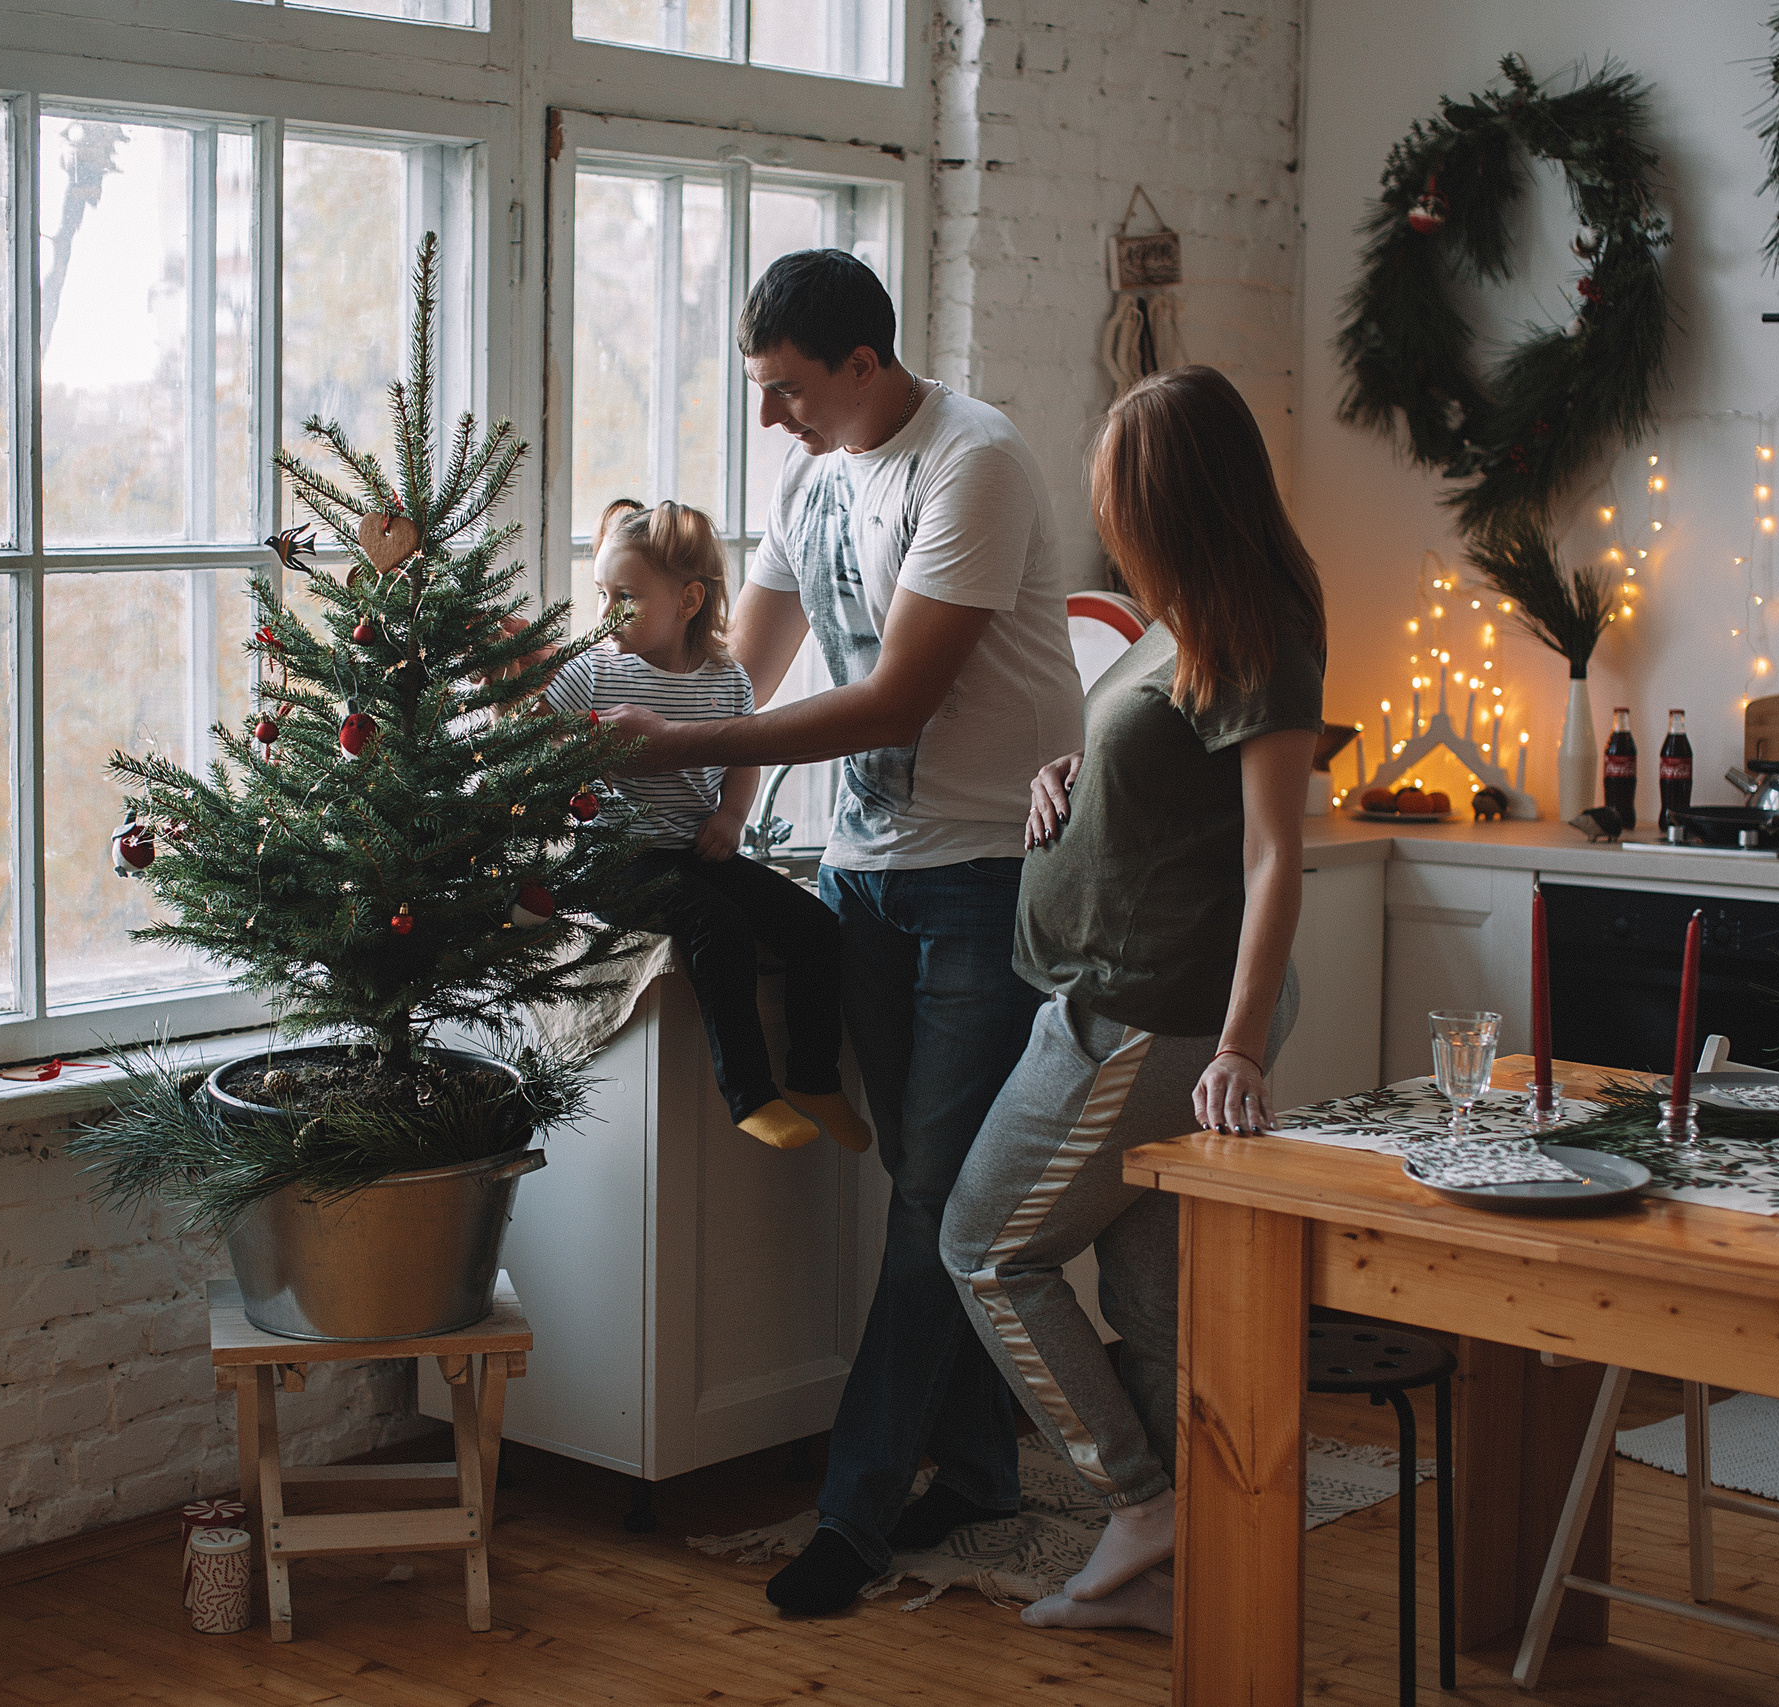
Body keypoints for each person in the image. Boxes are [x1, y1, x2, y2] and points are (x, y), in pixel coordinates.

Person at [598, 249, 1084, 1615]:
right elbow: (747, 669)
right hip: (865, 875)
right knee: (935, 1187)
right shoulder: (812, 481)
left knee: (940, 1193)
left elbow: (896, 701)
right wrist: (718, 820)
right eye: (762, 391)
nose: (772, 419)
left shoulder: (971, 463)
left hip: (988, 873)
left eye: (788, 388)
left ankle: (854, 1512)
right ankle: (983, 1466)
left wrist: (700, 747)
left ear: (863, 364)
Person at [939, 365, 1326, 1637]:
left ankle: (1138, 1502)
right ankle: (1181, 1573)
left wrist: (1235, 1047)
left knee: (986, 1248)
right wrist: (1073, 770)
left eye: (1119, 497)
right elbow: (1163, 755)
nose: (1109, 522)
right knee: (1152, 1299)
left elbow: (1275, 852)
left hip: (1148, 1014)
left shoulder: (1256, 623)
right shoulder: (1184, 614)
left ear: (1170, 499)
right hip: (1109, 993)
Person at [543, 498, 869, 1154]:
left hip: (695, 847)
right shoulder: (593, 671)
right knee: (717, 925)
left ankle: (813, 1077)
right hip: (616, 858)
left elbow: (742, 755)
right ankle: (749, 1094)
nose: (605, 614)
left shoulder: (726, 682)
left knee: (815, 927)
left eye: (624, 597)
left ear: (689, 600)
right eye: (601, 594)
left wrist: (731, 815)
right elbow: (540, 740)